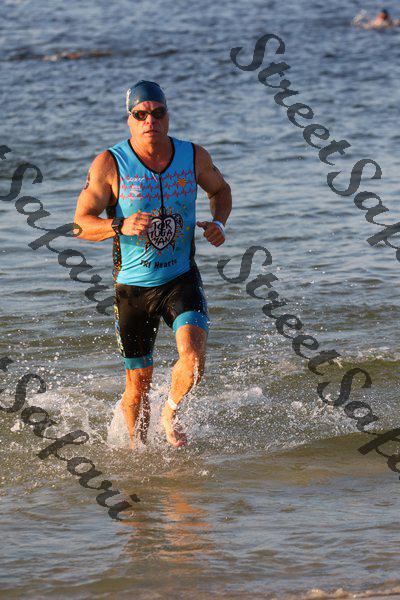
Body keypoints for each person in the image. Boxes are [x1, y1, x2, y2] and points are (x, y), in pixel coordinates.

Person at [73, 80, 232, 449]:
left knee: (193, 361)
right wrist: (119, 225)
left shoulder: (192, 156)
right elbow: (80, 224)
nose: (150, 121)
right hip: (132, 288)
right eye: (141, 114)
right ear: (129, 119)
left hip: (180, 278)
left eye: (158, 113)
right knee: (137, 383)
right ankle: (137, 453)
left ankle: (170, 413)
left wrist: (219, 223)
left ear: (167, 116)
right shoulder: (110, 163)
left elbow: (220, 190)